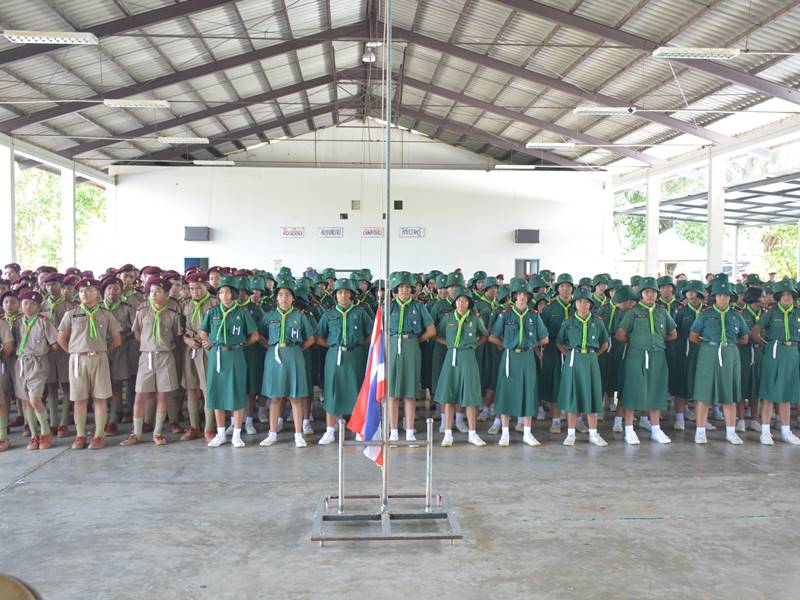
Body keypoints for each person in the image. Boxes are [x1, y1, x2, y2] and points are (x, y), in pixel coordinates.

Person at [56, 278, 122, 450]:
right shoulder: (71, 314)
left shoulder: (106, 314)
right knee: (79, 398)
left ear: (98, 294)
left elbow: (117, 339)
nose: (84, 294)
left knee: (100, 397)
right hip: (78, 359)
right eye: (81, 291)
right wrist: (74, 351)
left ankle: (99, 435)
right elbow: (61, 338)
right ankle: (80, 435)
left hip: (99, 358)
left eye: (89, 290)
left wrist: (101, 350)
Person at [121, 276, 183, 446]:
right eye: (151, 291)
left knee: (163, 395)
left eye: (158, 291)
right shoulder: (142, 311)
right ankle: (136, 432)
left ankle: (157, 432)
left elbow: (177, 335)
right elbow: (137, 333)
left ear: (166, 294)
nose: (154, 294)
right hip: (146, 356)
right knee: (140, 394)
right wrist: (149, 344)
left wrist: (162, 345)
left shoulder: (172, 313)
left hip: (165, 356)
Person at [688, 274, 750, 445]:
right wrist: (710, 346)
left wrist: (728, 346)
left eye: (726, 296)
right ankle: (700, 431)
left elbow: (744, 338)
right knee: (704, 393)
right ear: (715, 297)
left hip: (730, 354)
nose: (723, 299)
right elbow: (693, 336)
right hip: (709, 353)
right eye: (720, 295)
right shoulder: (705, 315)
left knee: (729, 393)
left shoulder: (737, 316)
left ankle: (731, 431)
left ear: (731, 298)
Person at [615, 276, 677, 445]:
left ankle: (656, 429)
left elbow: (673, 333)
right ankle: (629, 430)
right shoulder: (633, 313)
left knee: (656, 391)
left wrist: (656, 341)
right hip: (637, 356)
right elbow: (620, 335)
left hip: (658, 355)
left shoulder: (662, 312)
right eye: (647, 292)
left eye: (653, 292)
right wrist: (637, 342)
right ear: (641, 294)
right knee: (632, 390)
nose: (650, 295)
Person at [199, 276, 259, 448]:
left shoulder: (242, 313)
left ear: (233, 294)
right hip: (217, 355)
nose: (224, 296)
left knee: (237, 393)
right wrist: (207, 342)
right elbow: (203, 331)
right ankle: (220, 434)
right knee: (216, 393)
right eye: (221, 292)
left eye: (227, 292)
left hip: (235, 355)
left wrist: (241, 344)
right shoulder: (213, 312)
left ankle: (237, 435)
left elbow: (255, 336)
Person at [488, 278, 548, 447]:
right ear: (514, 296)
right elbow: (493, 336)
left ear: (528, 297)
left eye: (525, 294)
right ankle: (505, 433)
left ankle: (527, 433)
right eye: (519, 294)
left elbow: (545, 338)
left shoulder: (533, 316)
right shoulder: (506, 314)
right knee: (506, 393)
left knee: (528, 392)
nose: (522, 297)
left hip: (527, 357)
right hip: (510, 357)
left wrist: (531, 344)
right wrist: (506, 345)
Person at [314, 278, 373, 445]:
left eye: (347, 292)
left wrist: (360, 344)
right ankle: (329, 430)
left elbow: (372, 332)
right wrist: (333, 346)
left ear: (352, 295)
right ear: (335, 295)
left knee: (356, 390)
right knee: (332, 390)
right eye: (340, 292)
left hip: (355, 356)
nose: (343, 295)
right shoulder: (329, 315)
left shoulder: (360, 313)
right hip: (334, 356)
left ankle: (359, 429)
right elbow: (318, 336)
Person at [258, 278, 315, 448]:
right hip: (274, 356)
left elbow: (311, 338)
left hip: (294, 355)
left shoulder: (299, 316)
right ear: (276, 298)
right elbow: (259, 335)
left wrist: (296, 349)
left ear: (293, 298)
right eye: (281, 294)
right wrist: (270, 347)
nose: (284, 298)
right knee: (275, 397)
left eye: (288, 295)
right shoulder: (269, 316)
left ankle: (298, 434)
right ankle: (272, 433)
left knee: (295, 397)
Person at [434, 287, 488, 447]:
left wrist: (473, 345)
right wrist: (450, 344)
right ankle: (448, 434)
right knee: (449, 396)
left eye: (464, 300)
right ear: (455, 302)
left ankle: (472, 433)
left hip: (468, 357)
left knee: (470, 396)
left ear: (469, 303)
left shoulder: (475, 319)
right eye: (458, 300)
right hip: (451, 357)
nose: (461, 303)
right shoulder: (448, 318)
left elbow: (485, 335)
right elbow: (436, 334)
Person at [555, 288, 610, 447]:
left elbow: (605, 343)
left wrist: (594, 355)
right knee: (573, 396)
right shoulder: (569, 322)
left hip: (591, 360)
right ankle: (571, 434)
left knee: (592, 396)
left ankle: (593, 433)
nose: (583, 304)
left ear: (590, 304)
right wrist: (569, 354)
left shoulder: (597, 321)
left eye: (586, 302)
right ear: (575, 304)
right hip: (574, 360)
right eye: (580, 301)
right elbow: (559, 342)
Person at [387, 271, 435, 442]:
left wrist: (415, 340)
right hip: (392, 346)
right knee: (392, 392)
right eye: (401, 287)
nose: (404, 290)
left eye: (408, 287)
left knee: (410, 391)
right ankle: (393, 431)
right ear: (396, 289)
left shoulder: (418, 306)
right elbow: (379, 330)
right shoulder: (388, 306)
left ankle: (409, 430)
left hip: (412, 346)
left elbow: (431, 330)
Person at [751, 279, 800, 445]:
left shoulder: (797, 313)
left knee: (786, 393)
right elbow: (755, 333)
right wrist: (767, 345)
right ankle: (765, 431)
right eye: (784, 295)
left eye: (790, 295)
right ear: (778, 297)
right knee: (769, 392)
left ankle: (786, 431)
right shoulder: (771, 313)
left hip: (792, 353)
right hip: (774, 352)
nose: (787, 297)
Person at [13, 291, 58, 450]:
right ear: (20, 305)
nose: (28, 307)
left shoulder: (44, 321)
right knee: (26, 400)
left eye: (33, 304)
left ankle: (45, 431)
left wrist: (42, 353)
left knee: (35, 399)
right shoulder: (17, 322)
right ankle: (34, 435)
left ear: (39, 307)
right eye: (25, 303)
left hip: (38, 363)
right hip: (21, 364)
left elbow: (55, 344)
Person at [181, 272, 217, 442]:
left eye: (198, 288)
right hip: (191, 349)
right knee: (191, 388)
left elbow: (220, 327)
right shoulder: (185, 304)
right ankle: (194, 426)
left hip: (207, 350)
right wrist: (187, 340)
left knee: (207, 388)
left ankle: (209, 428)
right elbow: (180, 330)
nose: (195, 292)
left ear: (206, 286)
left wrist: (211, 340)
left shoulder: (215, 303)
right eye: (191, 288)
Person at [539, 273, 575, 433]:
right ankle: (556, 420)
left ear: (572, 289)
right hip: (553, 349)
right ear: (557, 289)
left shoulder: (578, 305)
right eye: (562, 286)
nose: (565, 289)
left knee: (574, 383)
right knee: (555, 384)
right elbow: (542, 330)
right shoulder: (550, 307)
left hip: (574, 350)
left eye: (568, 286)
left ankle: (577, 419)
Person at [42, 272, 75, 438]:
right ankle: (53, 421)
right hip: (47, 351)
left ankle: (64, 422)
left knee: (66, 384)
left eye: (54, 284)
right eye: (48, 285)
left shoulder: (71, 306)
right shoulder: (40, 306)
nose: (51, 288)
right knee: (51, 386)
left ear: (61, 286)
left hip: (65, 350)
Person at [101, 277, 135, 435]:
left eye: (116, 289)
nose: (112, 292)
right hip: (101, 350)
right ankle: (102, 419)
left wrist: (122, 337)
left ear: (121, 291)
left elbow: (135, 329)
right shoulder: (97, 308)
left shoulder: (126, 309)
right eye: (109, 288)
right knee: (101, 386)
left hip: (120, 349)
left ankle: (113, 420)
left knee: (116, 384)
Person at [671, 280, 706, 431]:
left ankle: (702, 420)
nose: (690, 295)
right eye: (688, 292)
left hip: (704, 352)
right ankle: (679, 419)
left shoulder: (707, 312)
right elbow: (675, 331)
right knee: (682, 384)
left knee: (702, 386)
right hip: (685, 351)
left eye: (693, 292)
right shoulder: (681, 312)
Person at [739, 287, 764, 434]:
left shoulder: (764, 313)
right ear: (755, 298)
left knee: (757, 387)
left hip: (759, 352)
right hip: (744, 352)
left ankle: (754, 420)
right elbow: (744, 334)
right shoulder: (742, 314)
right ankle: (741, 420)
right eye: (763, 297)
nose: (765, 299)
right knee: (742, 386)